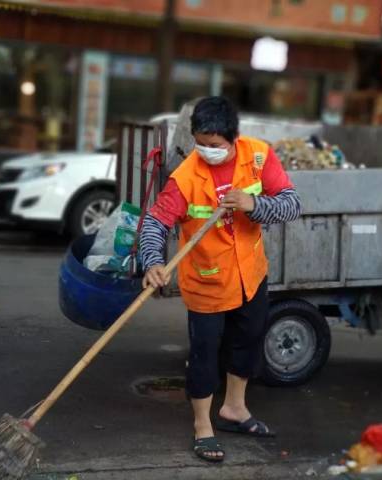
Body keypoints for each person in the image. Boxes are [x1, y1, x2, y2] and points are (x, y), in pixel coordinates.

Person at [139, 96, 301, 463]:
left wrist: (255, 205)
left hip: (251, 276)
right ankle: (202, 427)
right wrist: (152, 261)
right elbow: (155, 222)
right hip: (207, 283)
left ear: (233, 138)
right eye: (200, 143)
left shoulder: (258, 156)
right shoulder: (185, 178)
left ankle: (234, 410)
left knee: (247, 342)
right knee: (204, 357)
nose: (206, 151)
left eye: (215, 145)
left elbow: (292, 204)